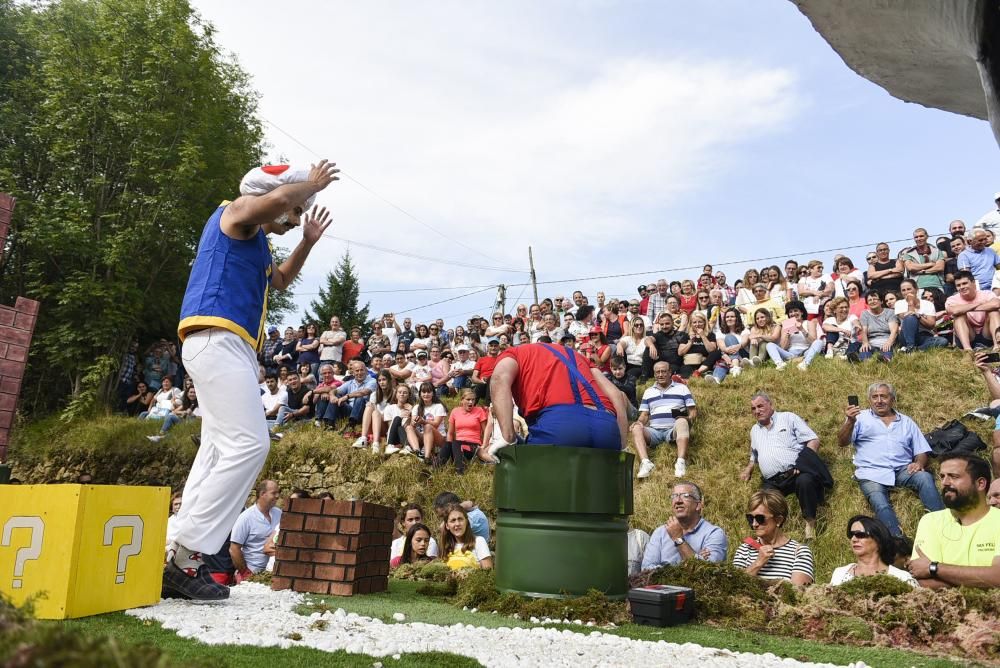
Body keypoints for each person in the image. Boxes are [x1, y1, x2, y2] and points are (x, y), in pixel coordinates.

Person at [167, 160, 338, 600]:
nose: (298, 216)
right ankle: (188, 552)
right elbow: (277, 198)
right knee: (251, 444)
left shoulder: (258, 243)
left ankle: (177, 553)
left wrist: (306, 243)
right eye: (298, 211)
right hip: (217, 337)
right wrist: (310, 185)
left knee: (217, 449)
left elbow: (279, 281)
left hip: (231, 345)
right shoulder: (236, 212)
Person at [485, 342, 627, 460]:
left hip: (559, 423)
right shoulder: (577, 356)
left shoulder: (513, 353)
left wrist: (508, 437)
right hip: (606, 424)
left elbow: (498, 379)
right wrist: (622, 445)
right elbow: (616, 395)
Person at [838, 381, 944, 537]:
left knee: (925, 477)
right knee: (880, 503)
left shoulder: (906, 421)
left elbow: (921, 449)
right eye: (875, 397)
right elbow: (842, 441)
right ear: (869, 400)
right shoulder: (859, 418)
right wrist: (850, 422)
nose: (879, 401)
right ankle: (896, 540)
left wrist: (919, 463)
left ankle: (942, 524)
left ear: (892, 399)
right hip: (871, 472)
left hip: (902, 469)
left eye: (883, 396)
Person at [741, 393, 831, 540]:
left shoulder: (788, 418)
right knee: (762, 502)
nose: (757, 411)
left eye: (760, 406)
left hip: (796, 473)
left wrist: (803, 463)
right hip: (771, 480)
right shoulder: (754, 430)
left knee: (805, 482)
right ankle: (768, 535)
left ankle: (810, 526)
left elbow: (813, 440)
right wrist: (749, 468)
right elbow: (754, 453)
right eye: (753, 408)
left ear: (771, 405)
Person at [908, 454, 1000, 588]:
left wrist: (934, 568)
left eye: (954, 476)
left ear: (980, 483)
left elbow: (997, 577)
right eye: (942, 476)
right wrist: (983, 579)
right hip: (945, 608)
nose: (945, 482)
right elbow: (922, 580)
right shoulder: (930, 521)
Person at [732, 489, 814, 585]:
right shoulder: (745, 549)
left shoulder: (799, 552)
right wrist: (757, 563)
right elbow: (733, 587)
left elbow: (799, 593)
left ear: (778, 520)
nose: (754, 524)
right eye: (750, 518)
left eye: (760, 519)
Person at [640, 481, 728, 570]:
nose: (678, 501)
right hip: (664, 584)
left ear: (698, 505)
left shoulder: (714, 534)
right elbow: (646, 569)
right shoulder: (660, 532)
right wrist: (696, 559)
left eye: (685, 496)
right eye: (674, 496)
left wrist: (678, 539)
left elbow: (708, 572)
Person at [632, 361, 697, 479]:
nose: (660, 375)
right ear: (654, 374)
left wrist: (688, 418)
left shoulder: (682, 388)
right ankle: (645, 463)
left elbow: (693, 412)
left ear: (670, 372)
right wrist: (639, 422)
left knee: (682, 422)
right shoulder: (648, 392)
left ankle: (680, 462)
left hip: (673, 429)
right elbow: (645, 414)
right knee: (636, 427)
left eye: (663, 371)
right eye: (657, 372)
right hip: (654, 431)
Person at [829, 515, 918, 586]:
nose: (853, 539)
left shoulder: (902, 578)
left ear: (878, 539)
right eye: (851, 534)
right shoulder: (840, 573)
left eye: (860, 534)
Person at [229, 480, 282, 579]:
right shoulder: (246, 517)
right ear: (262, 494)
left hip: (274, 571)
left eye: (278, 492)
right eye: (274, 493)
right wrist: (245, 573)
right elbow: (234, 549)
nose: (277, 496)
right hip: (252, 570)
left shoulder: (279, 513)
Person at [764, 301, 825, 371]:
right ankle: (780, 364)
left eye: (796, 311)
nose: (793, 313)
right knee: (770, 345)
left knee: (819, 342)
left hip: (805, 352)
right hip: (791, 354)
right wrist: (788, 334)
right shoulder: (786, 325)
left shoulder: (809, 323)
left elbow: (813, 342)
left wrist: (802, 329)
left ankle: (805, 363)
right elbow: (783, 347)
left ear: (801, 312)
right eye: (790, 312)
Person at [947, 270, 1000, 350]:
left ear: (973, 282)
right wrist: (978, 304)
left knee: (994, 311)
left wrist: (964, 308)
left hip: (986, 333)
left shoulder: (986, 294)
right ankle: (968, 350)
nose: (961, 287)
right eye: (958, 285)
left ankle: (997, 346)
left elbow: (996, 304)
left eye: (965, 283)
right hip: (968, 335)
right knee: (959, 316)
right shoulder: (952, 299)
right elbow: (954, 311)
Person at [895, 278, 948, 351]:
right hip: (906, 336)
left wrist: (919, 316)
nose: (906, 292)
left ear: (916, 289)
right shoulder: (899, 303)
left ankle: (912, 350)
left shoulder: (928, 304)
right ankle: (910, 346)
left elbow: (931, 325)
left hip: (924, 335)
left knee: (942, 341)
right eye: (903, 290)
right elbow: (907, 318)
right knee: (910, 317)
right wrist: (910, 303)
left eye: (909, 289)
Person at [442, 389, 487, 473]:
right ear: (462, 400)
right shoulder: (455, 411)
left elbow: (486, 431)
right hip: (457, 446)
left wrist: (484, 446)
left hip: (473, 446)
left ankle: (460, 471)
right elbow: (450, 433)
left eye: (473, 400)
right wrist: (449, 446)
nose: (471, 402)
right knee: (448, 443)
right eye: (468, 399)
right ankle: (434, 470)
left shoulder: (479, 411)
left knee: (456, 443)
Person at [439, 504, 492, 570]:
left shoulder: (478, 542)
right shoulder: (445, 547)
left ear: (466, 522)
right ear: (447, 526)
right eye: (453, 520)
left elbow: (488, 574)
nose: (457, 524)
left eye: (460, 519)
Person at [406, 382, 448, 461]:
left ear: (433, 393)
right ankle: (417, 452)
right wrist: (414, 422)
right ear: (420, 394)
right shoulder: (416, 407)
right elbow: (412, 424)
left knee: (428, 426)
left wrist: (423, 421)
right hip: (422, 436)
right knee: (409, 427)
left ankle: (427, 457)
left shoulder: (438, 406)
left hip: (438, 437)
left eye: (429, 392)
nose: (426, 394)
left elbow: (435, 424)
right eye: (423, 392)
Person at [857, 291, 898, 362]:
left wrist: (888, 343)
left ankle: (885, 360)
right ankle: (864, 361)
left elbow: (894, 330)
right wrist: (865, 343)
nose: (872, 301)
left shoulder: (889, 312)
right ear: (867, 303)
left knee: (887, 353)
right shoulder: (864, 314)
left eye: (875, 299)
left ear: (881, 301)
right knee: (864, 352)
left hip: (887, 341)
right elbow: (863, 330)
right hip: (871, 342)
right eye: (870, 300)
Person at [382, 384, 414, 455]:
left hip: (406, 436)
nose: (402, 394)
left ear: (408, 395)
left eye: (405, 392)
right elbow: (391, 427)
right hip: (393, 437)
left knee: (401, 427)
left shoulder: (412, 409)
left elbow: (412, 428)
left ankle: (407, 447)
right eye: (399, 392)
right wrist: (401, 417)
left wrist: (411, 413)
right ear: (396, 394)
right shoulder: (389, 408)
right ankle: (390, 446)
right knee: (397, 418)